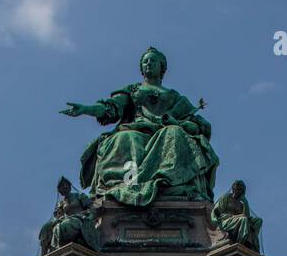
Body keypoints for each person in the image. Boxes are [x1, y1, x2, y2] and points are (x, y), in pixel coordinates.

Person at [60, 46, 218, 206]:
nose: (148, 63)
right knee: (125, 138)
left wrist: (181, 123)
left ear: (162, 67)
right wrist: (86, 109)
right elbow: (111, 108)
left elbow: (195, 121)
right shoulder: (133, 90)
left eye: (153, 60)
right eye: (145, 61)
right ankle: (129, 185)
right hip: (136, 130)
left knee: (175, 133)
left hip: (164, 131)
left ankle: (165, 181)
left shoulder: (175, 97)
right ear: (141, 68)